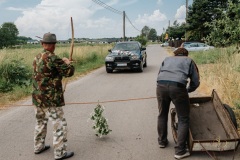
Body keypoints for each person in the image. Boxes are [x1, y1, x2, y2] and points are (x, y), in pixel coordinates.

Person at [32, 32, 75, 160]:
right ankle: (60, 153)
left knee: (40, 122)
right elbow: (69, 72)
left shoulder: (37, 57)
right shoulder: (54, 58)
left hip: (37, 98)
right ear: (54, 45)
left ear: (42, 44)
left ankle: (38, 147)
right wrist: (68, 63)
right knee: (59, 124)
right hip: (51, 100)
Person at [156, 47, 200, 159]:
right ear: (186, 54)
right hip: (178, 88)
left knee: (162, 114)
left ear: (175, 54)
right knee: (183, 118)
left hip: (160, 86)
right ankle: (180, 151)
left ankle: (162, 141)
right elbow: (195, 82)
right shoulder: (189, 61)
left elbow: (159, 74)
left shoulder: (167, 59)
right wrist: (187, 90)